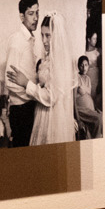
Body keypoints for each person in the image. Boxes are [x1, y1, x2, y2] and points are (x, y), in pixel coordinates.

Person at [31, 14, 77, 145]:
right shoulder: (47, 59)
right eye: (42, 35)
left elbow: (51, 97)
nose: (44, 40)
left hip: (53, 117)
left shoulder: (60, 62)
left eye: (48, 35)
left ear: (56, 36)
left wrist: (27, 84)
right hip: (43, 112)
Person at [4, 0, 42, 148]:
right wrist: (32, 94)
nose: (36, 18)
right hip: (21, 110)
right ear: (21, 16)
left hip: (29, 106)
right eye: (31, 13)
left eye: (37, 12)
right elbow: (9, 82)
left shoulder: (31, 39)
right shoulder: (16, 41)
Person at [73, 55, 102, 140]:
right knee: (99, 118)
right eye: (81, 65)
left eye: (86, 65)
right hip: (81, 109)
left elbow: (89, 96)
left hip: (89, 110)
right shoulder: (76, 78)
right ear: (78, 66)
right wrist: (77, 118)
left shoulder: (88, 79)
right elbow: (73, 100)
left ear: (88, 66)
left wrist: (95, 108)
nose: (84, 67)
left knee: (101, 116)